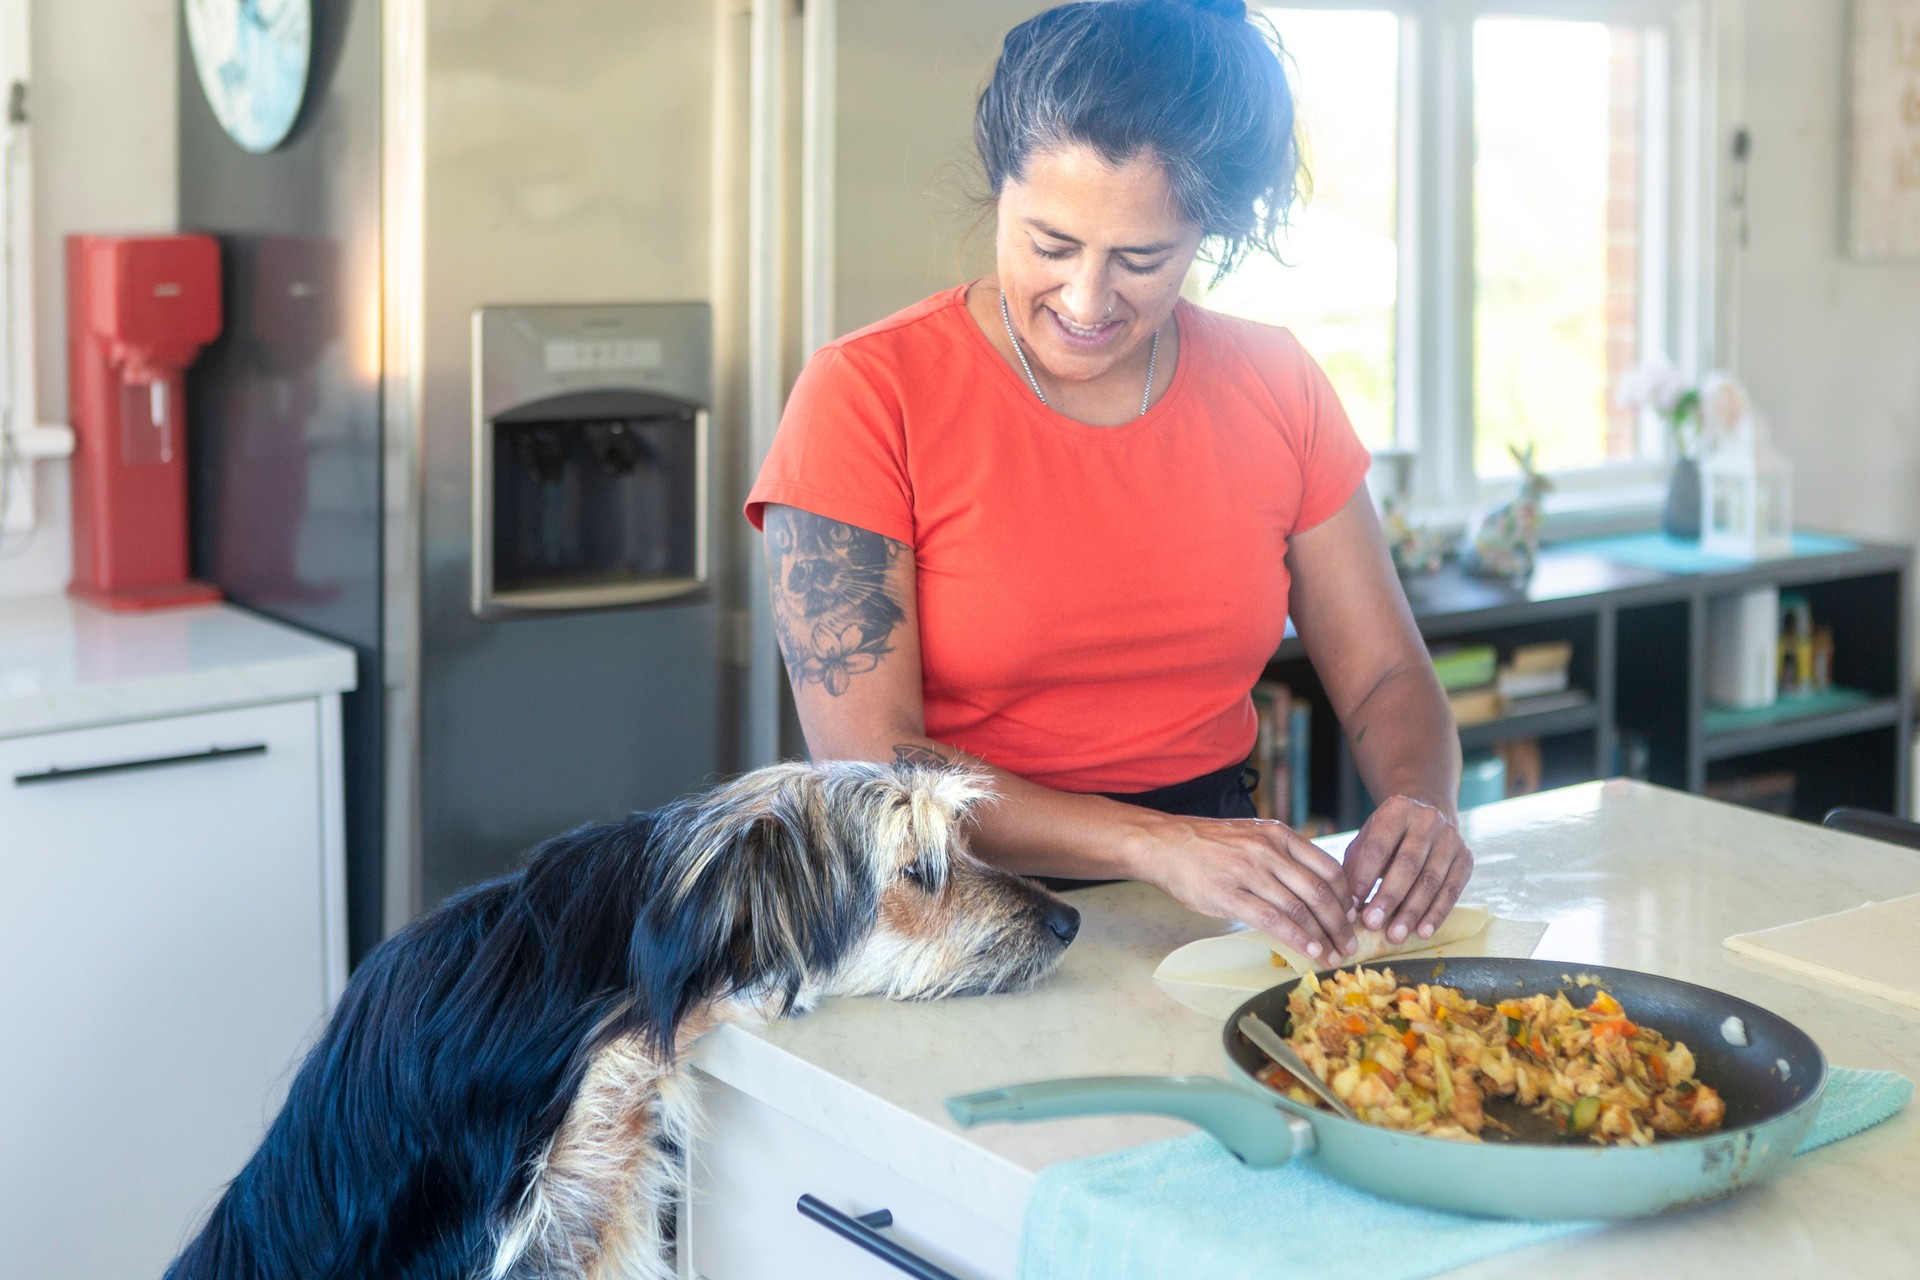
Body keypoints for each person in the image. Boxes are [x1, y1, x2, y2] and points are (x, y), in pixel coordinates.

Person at [746, 0, 1471, 964]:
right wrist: (1150, 842)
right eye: (1050, 245)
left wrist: (1420, 804)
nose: (1087, 302)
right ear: (997, 188)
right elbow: (872, 767)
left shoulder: (1278, 384)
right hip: (939, 919)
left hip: (1209, 912)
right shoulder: (867, 394)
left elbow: (1386, 672)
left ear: (1207, 233)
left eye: (1141, 259)